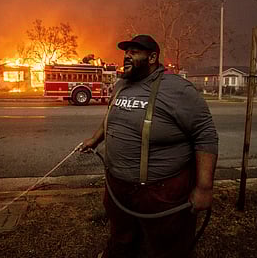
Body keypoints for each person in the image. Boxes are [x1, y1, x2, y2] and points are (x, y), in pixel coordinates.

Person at [79, 34, 218, 258]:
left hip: (160, 193)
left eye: (134, 52)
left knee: (164, 244)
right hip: (118, 188)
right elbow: (111, 118)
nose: (127, 56)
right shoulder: (122, 85)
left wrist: (204, 187)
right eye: (126, 52)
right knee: (122, 235)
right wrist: (95, 139)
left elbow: (206, 135)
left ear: (152, 57)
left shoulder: (178, 90)